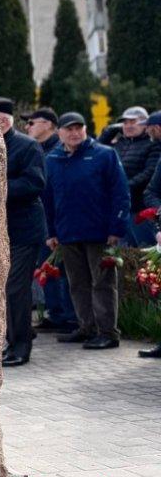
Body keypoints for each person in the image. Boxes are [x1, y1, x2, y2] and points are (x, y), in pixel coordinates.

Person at [43, 113, 131, 351]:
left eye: (78, 128)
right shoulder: (52, 159)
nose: (74, 133)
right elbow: (48, 199)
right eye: (69, 129)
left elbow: (121, 193)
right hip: (68, 233)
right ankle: (87, 328)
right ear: (59, 133)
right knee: (77, 284)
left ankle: (108, 333)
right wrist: (51, 232)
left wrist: (116, 228)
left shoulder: (105, 155)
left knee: (103, 284)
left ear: (85, 129)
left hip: (99, 233)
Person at [0, 99, 46, 368]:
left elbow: (35, 183)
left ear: (4, 121)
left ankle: (20, 347)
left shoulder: (27, 146)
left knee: (16, 289)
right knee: (2, 290)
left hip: (23, 231)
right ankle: (11, 341)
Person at [22, 108, 79, 334]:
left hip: (60, 218)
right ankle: (55, 314)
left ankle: (69, 317)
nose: (27, 127)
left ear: (48, 124)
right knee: (48, 268)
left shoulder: (59, 149)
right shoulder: (36, 148)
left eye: (31, 123)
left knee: (63, 270)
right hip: (42, 218)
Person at [109, 106, 160, 246]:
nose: (128, 126)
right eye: (125, 122)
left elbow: (149, 172)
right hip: (123, 207)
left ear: (146, 125)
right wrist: (112, 130)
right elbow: (98, 147)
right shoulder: (120, 143)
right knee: (125, 253)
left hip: (141, 207)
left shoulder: (153, 144)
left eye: (133, 122)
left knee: (145, 248)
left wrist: (124, 187)